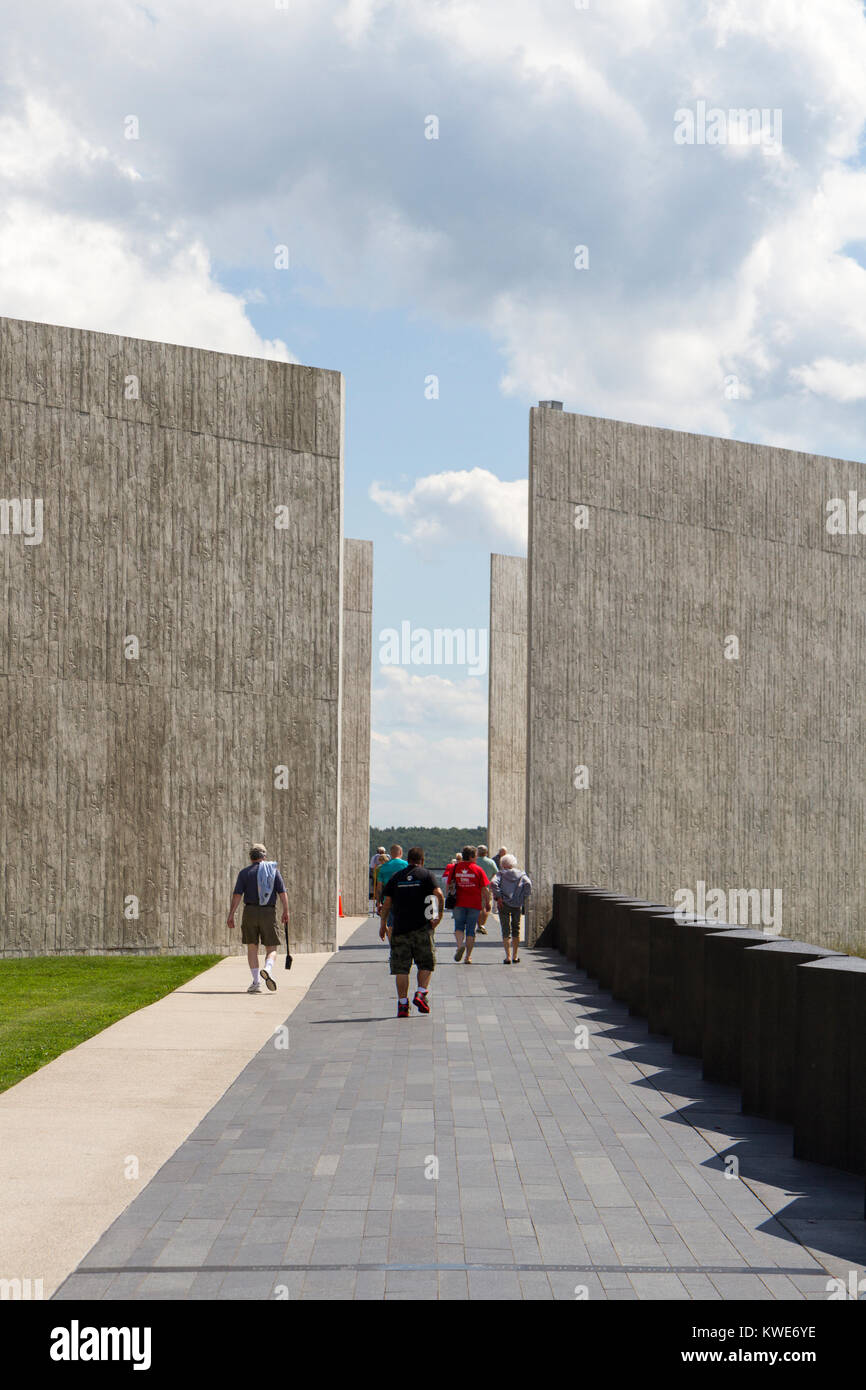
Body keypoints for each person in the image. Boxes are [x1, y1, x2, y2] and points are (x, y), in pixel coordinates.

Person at [381, 847, 444, 1017]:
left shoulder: (397, 877)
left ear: (408, 860)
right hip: (422, 928)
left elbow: (387, 903)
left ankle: (402, 1005)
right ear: (422, 860)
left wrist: (382, 925)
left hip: (400, 929)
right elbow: (438, 894)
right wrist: (439, 916)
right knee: (426, 963)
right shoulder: (427, 875)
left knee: (401, 969)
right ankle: (421, 993)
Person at [227, 844, 289, 993]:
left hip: (250, 911)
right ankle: (267, 968)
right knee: (271, 947)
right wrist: (286, 911)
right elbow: (282, 892)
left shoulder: (244, 873)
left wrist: (231, 914)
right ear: (264, 856)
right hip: (268, 912)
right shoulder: (273, 872)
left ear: (251, 857)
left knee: (252, 947)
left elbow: (237, 895)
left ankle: (256, 982)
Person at [444, 846, 491, 964]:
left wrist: (447, 897)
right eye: (475, 856)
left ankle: (460, 946)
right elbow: (485, 888)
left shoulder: (455, 868)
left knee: (458, 927)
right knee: (471, 931)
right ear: (471, 857)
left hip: (458, 903)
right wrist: (488, 902)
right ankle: (468, 957)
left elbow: (449, 884)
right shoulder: (478, 870)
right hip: (474, 904)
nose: (476, 858)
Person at [492, 854, 532, 964]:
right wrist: (523, 897)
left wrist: (499, 897)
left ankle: (508, 956)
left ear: (503, 864)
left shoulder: (500, 874)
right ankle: (515, 956)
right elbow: (528, 884)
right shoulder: (521, 874)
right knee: (516, 929)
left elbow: (493, 883)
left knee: (505, 930)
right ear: (513, 863)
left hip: (503, 904)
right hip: (517, 904)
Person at [376, 844, 408, 937]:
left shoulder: (383, 867)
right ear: (401, 853)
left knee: (390, 925)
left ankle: (392, 946)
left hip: (388, 900)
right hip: (404, 899)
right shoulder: (406, 865)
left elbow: (379, 888)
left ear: (390, 853)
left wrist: (378, 902)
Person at [476, 845, 498, 934]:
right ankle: (482, 925)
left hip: (476, 888)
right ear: (487, 852)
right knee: (486, 907)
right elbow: (496, 873)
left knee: (478, 907)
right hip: (487, 887)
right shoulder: (491, 862)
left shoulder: (475, 862)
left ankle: (479, 925)